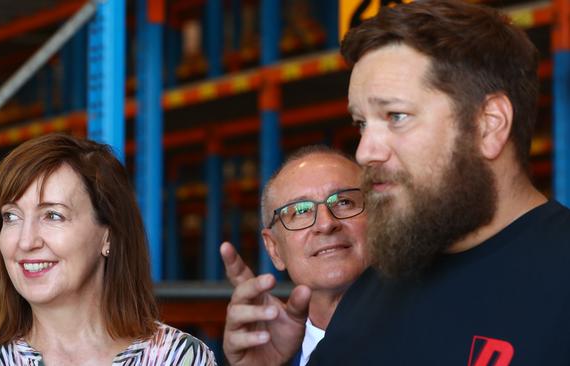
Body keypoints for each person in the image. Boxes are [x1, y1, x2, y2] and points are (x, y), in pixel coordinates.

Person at [224, 0, 570, 365]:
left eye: (396, 116)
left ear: (489, 124)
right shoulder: (369, 295)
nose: (364, 152)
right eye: (362, 123)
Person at [0, 134, 216, 365]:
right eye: (11, 217)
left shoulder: (178, 358)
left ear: (108, 235)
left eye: (52, 215)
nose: (26, 241)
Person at [220, 146, 368, 366]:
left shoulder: (430, 328)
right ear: (274, 249)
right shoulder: (273, 354)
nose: (326, 224)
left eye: (343, 202)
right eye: (300, 211)